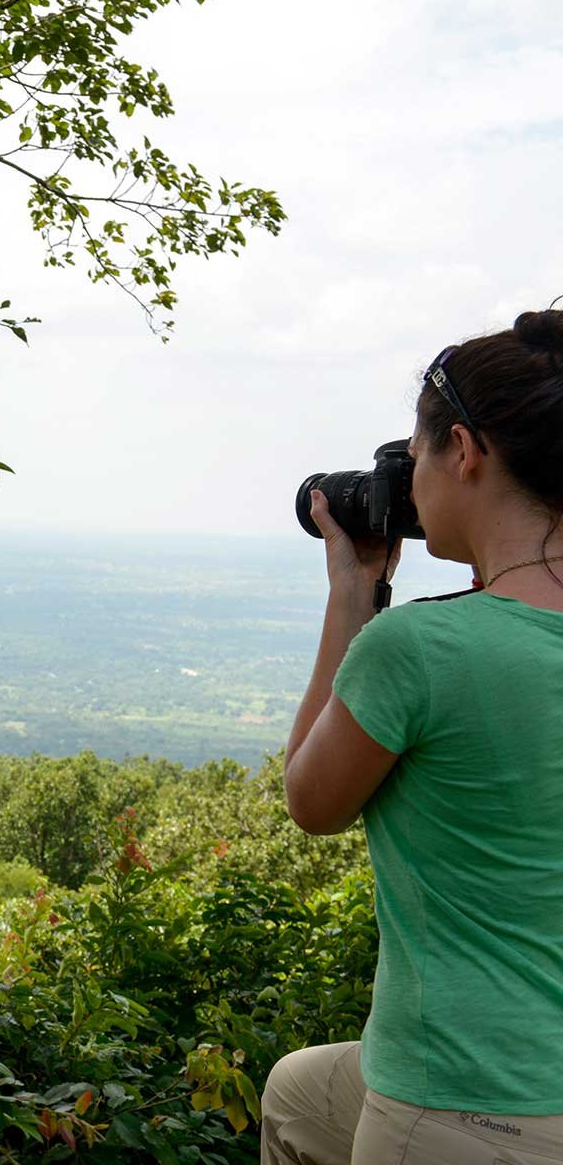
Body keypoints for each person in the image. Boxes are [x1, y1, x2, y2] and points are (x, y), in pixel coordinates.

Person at [261, 309, 563, 1164]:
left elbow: (311, 801)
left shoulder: (423, 648)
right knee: (296, 1093)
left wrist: (353, 597)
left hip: (468, 1099)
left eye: (417, 451)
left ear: (465, 451)